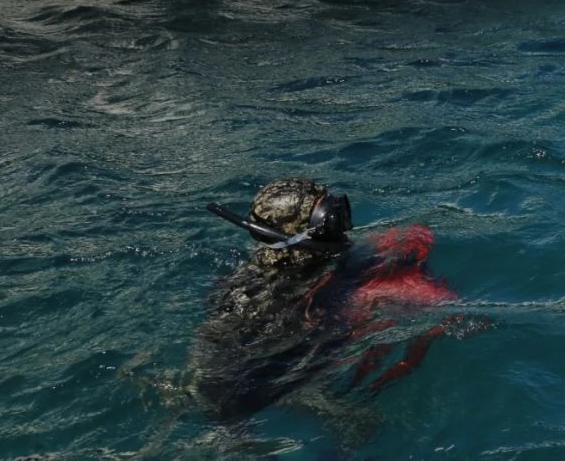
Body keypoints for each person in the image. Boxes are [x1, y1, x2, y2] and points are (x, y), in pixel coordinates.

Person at [190, 177, 465, 425]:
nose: (343, 226)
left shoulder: (293, 263)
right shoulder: (270, 299)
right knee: (360, 424)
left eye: (339, 212)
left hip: (268, 371)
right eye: (330, 220)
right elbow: (222, 377)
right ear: (297, 234)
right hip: (253, 389)